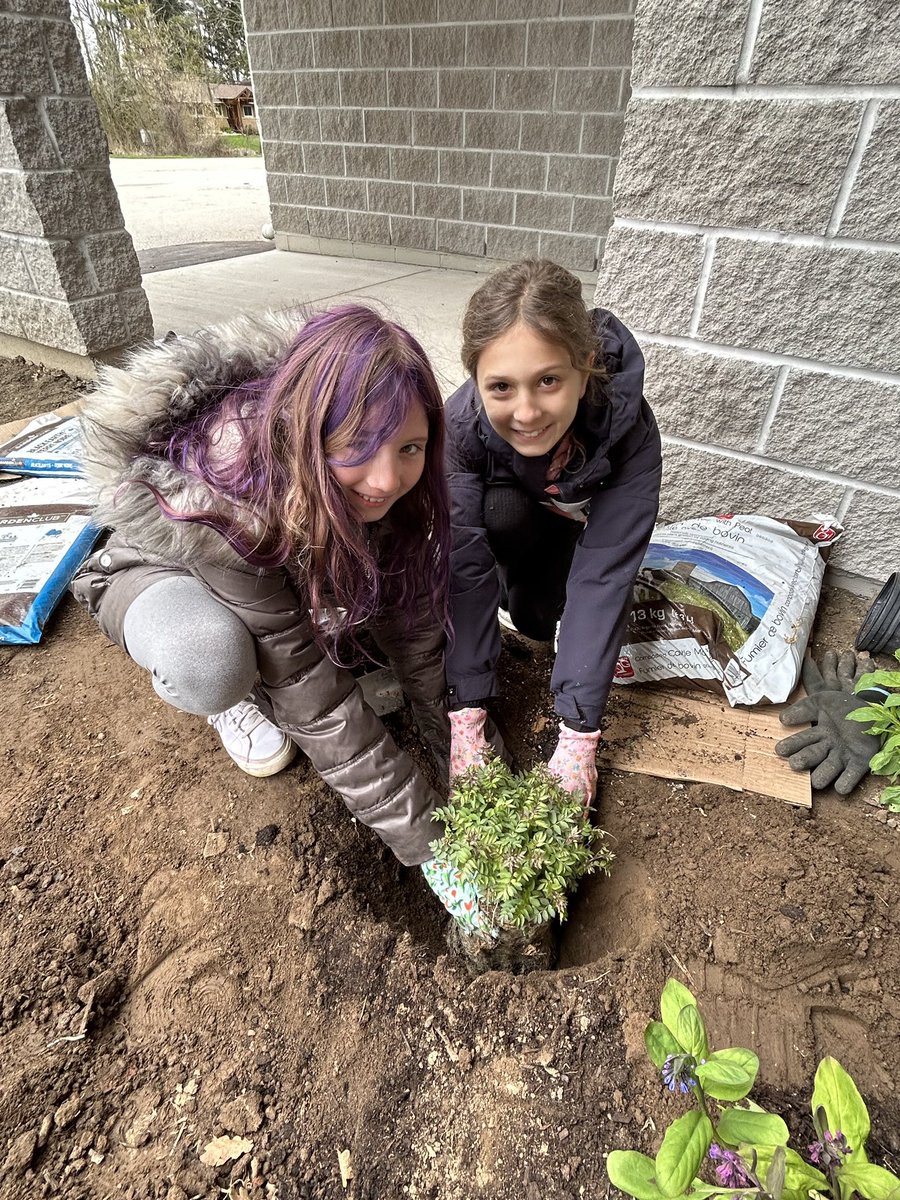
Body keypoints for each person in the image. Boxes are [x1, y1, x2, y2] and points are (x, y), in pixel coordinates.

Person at [70, 304, 484, 929]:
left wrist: (462, 752)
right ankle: (233, 699)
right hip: (169, 570)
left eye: (410, 448)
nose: (388, 476)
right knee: (215, 660)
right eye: (360, 447)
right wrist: (432, 849)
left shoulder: (374, 483)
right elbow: (311, 697)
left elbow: (416, 630)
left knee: (376, 615)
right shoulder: (227, 496)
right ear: (310, 432)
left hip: (279, 560)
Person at [444, 259, 663, 805]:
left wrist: (578, 734)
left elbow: (606, 572)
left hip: (575, 528)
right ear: (475, 381)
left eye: (548, 380)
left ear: (585, 365)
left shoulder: (629, 432)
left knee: (538, 620)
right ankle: (514, 588)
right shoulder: (458, 429)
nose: (526, 411)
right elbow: (462, 565)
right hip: (513, 519)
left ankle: (535, 598)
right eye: (500, 387)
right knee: (498, 518)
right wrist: (467, 706)